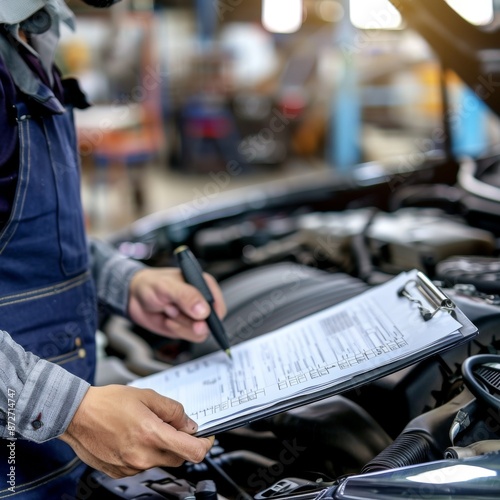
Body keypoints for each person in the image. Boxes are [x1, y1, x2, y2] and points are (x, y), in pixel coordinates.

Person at [0, 1, 226, 497]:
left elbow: (23, 234)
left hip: (49, 469)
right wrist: (69, 410)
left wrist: (127, 283)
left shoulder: (23, 37)